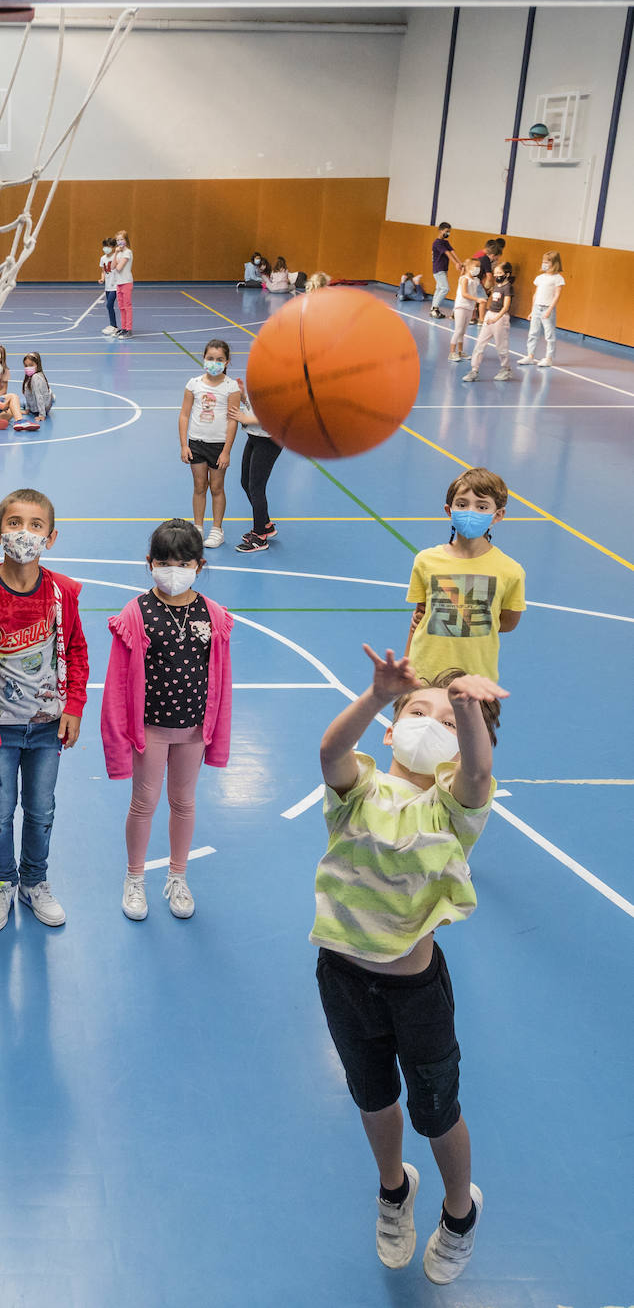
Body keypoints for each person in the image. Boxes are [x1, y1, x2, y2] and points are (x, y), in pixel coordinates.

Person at [313, 644, 506, 1284]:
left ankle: (459, 1213)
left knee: (437, 1111)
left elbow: (477, 773)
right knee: (373, 1097)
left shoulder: (454, 812)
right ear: (393, 729)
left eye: (449, 722)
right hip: (342, 980)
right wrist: (375, 694)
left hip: (414, 990)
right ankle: (394, 1192)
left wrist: (467, 709)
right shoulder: (358, 790)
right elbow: (329, 753)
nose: (435, 724)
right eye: (419, 711)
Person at [0, 488, 89, 933]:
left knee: (41, 809)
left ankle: (34, 881)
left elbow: (79, 651)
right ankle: (2, 883)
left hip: (48, 727)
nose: (23, 533)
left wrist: (75, 707)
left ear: (51, 537)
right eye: (14, 523)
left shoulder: (63, 594)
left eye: (35, 525)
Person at [101, 519, 233, 922]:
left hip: (193, 730)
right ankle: (135, 877)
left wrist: (217, 734)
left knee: (183, 802)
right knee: (144, 802)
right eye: (163, 562)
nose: (173, 570)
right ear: (149, 563)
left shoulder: (213, 615)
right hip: (151, 731)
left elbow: (221, 680)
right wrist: (121, 736)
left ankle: (178, 876)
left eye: (183, 563)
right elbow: (118, 683)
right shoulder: (136, 613)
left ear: (199, 564)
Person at [404, 467, 525, 682]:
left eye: (482, 506)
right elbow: (419, 618)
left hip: (476, 680)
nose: (471, 511)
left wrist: (466, 619)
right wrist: (404, 668)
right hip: (424, 677)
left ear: (498, 515)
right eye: (462, 504)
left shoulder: (510, 570)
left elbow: (506, 623)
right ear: (449, 510)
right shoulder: (426, 560)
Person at [178, 338, 242, 549]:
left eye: (219, 359)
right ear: (204, 358)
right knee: (199, 486)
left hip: (218, 446)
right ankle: (197, 528)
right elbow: (184, 415)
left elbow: (233, 420)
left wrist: (226, 451)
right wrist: (184, 445)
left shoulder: (231, 387)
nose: (214, 362)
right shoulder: (193, 384)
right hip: (196, 442)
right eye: (210, 358)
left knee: (216, 487)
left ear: (227, 361)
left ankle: (217, 529)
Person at [228, 373, 282, 553]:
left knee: (256, 487)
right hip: (254, 436)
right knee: (246, 482)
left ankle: (259, 536)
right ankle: (265, 525)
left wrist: (245, 419)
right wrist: (244, 398)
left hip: (269, 440)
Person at [462, 261, 514, 383]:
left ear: (507, 274)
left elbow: (505, 307)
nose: (497, 275)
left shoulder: (508, 287)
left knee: (501, 346)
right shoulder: (496, 286)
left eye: (499, 273)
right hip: (490, 316)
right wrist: (487, 316)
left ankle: (506, 369)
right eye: (495, 273)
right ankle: (474, 370)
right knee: (479, 343)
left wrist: (496, 319)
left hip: (500, 318)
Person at [518, 250, 565, 368]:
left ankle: (549, 358)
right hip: (537, 308)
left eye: (546, 262)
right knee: (533, 333)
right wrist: (532, 310)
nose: (543, 264)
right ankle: (530, 356)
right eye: (543, 261)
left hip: (547, 309)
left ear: (554, 264)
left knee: (549, 334)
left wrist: (549, 309)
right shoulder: (540, 277)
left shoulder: (558, 278)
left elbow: (557, 295)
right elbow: (536, 294)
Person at [448, 260, 484, 362]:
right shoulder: (464, 279)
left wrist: (475, 305)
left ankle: (460, 352)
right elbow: (464, 294)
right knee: (458, 330)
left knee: (463, 332)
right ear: (469, 268)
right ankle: (451, 353)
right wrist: (477, 300)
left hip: (469, 307)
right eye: (476, 266)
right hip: (461, 306)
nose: (478, 269)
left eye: (479, 267)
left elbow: (474, 292)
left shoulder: (475, 280)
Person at [429, 223, 460, 319]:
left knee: (439, 289)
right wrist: (455, 263)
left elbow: (452, 252)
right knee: (445, 288)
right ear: (440, 230)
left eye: (449, 232)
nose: (448, 233)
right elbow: (447, 253)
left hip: (444, 269)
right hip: (438, 269)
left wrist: (460, 262)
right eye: (446, 231)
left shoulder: (445, 242)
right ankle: (435, 308)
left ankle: (433, 309)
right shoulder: (437, 242)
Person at [471, 237, 505, 325]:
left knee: (475, 299)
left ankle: (472, 317)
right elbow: (489, 276)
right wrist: (493, 287)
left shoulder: (482, 258)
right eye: (497, 257)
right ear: (493, 255)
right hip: (476, 280)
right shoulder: (486, 259)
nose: (497, 259)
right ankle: (481, 320)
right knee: (483, 299)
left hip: (472, 280)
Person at [21, 351, 53, 423]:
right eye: (26, 366)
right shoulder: (29, 377)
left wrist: (42, 415)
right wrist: (27, 410)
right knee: (19, 401)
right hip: (34, 406)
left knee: (16, 401)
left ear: (37, 364)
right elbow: (27, 394)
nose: (28, 368)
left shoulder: (36, 377)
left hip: (40, 408)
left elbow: (39, 396)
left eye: (31, 365)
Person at [113, 230, 134, 337]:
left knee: (127, 306)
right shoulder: (119, 253)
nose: (119, 242)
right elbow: (112, 267)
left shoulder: (127, 252)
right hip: (119, 282)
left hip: (126, 282)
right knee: (121, 307)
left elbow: (119, 268)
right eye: (117, 240)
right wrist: (116, 253)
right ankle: (124, 328)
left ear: (126, 240)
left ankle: (129, 330)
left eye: (121, 239)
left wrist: (116, 264)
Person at [100, 237, 120, 332]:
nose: (105, 248)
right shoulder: (103, 258)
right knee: (110, 306)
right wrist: (102, 279)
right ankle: (112, 325)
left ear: (112, 247)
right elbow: (103, 271)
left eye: (108, 246)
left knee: (109, 305)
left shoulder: (116, 257)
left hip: (115, 286)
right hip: (107, 287)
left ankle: (114, 326)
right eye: (104, 246)